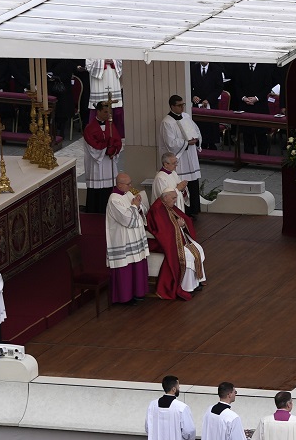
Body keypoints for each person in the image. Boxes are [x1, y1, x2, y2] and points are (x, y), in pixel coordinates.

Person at [146, 156, 205, 300]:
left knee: (196, 248)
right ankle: (185, 286)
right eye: (174, 163)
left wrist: (181, 191)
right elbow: (162, 229)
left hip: (174, 232)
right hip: (164, 241)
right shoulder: (159, 205)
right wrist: (177, 190)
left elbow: (173, 196)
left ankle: (195, 282)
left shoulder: (168, 197)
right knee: (187, 255)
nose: (176, 165)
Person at [104, 174, 150, 305]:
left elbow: (141, 210)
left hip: (134, 237)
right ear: (119, 185)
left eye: (130, 183)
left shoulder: (127, 193)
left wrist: (139, 205)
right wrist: (135, 206)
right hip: (123, 239)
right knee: (125, 268)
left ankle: (138, 293)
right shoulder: (114, 200)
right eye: (128, 184)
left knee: (136, 264)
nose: (131, 186)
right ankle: (124, 298)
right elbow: (126, 220)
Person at [159, 97, 204, 218]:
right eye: (179, 105)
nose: (182, 107)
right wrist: (186, 143)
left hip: (191, 156)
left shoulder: (186, 117)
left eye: (182, 105)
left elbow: (196, 130)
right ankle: (185, 211)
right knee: (183, 184)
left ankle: (194, 210)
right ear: (172, 106)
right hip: (180, 159)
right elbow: (170, 143)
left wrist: (196, 139)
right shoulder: (167, 122)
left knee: (193, 183)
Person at [80, 104, 122, 213]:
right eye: (105, 112)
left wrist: (114, 149)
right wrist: (107, 148)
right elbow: (93, 147)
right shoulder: (90, 128)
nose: (108, 115)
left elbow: (117, 141)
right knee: (96, 190)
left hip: (109, 162)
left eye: (109, 112)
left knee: (109, 188)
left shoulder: (111, 125)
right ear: (98, 111)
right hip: (96, 164)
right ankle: (94, 211)